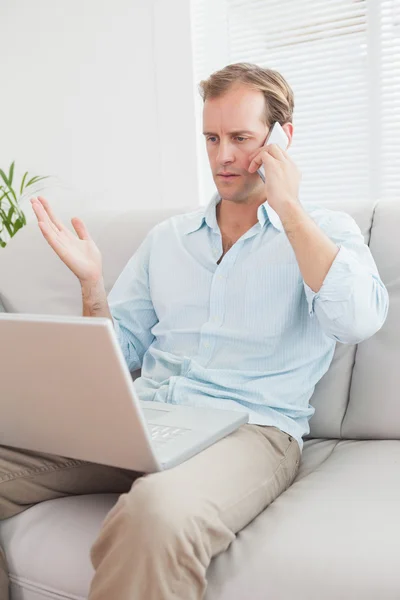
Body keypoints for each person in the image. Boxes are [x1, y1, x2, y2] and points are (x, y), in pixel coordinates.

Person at [0, 62, 389, 600]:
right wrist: (92, 284)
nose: (223, 156)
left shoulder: (325, 232)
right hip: (144, 418)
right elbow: (119, 354)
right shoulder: (168, 240)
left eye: (240, 138)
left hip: (252, 431)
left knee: (155, 514)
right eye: (211, 138)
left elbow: (357, 319)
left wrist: (289, 208)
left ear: (281, 139)